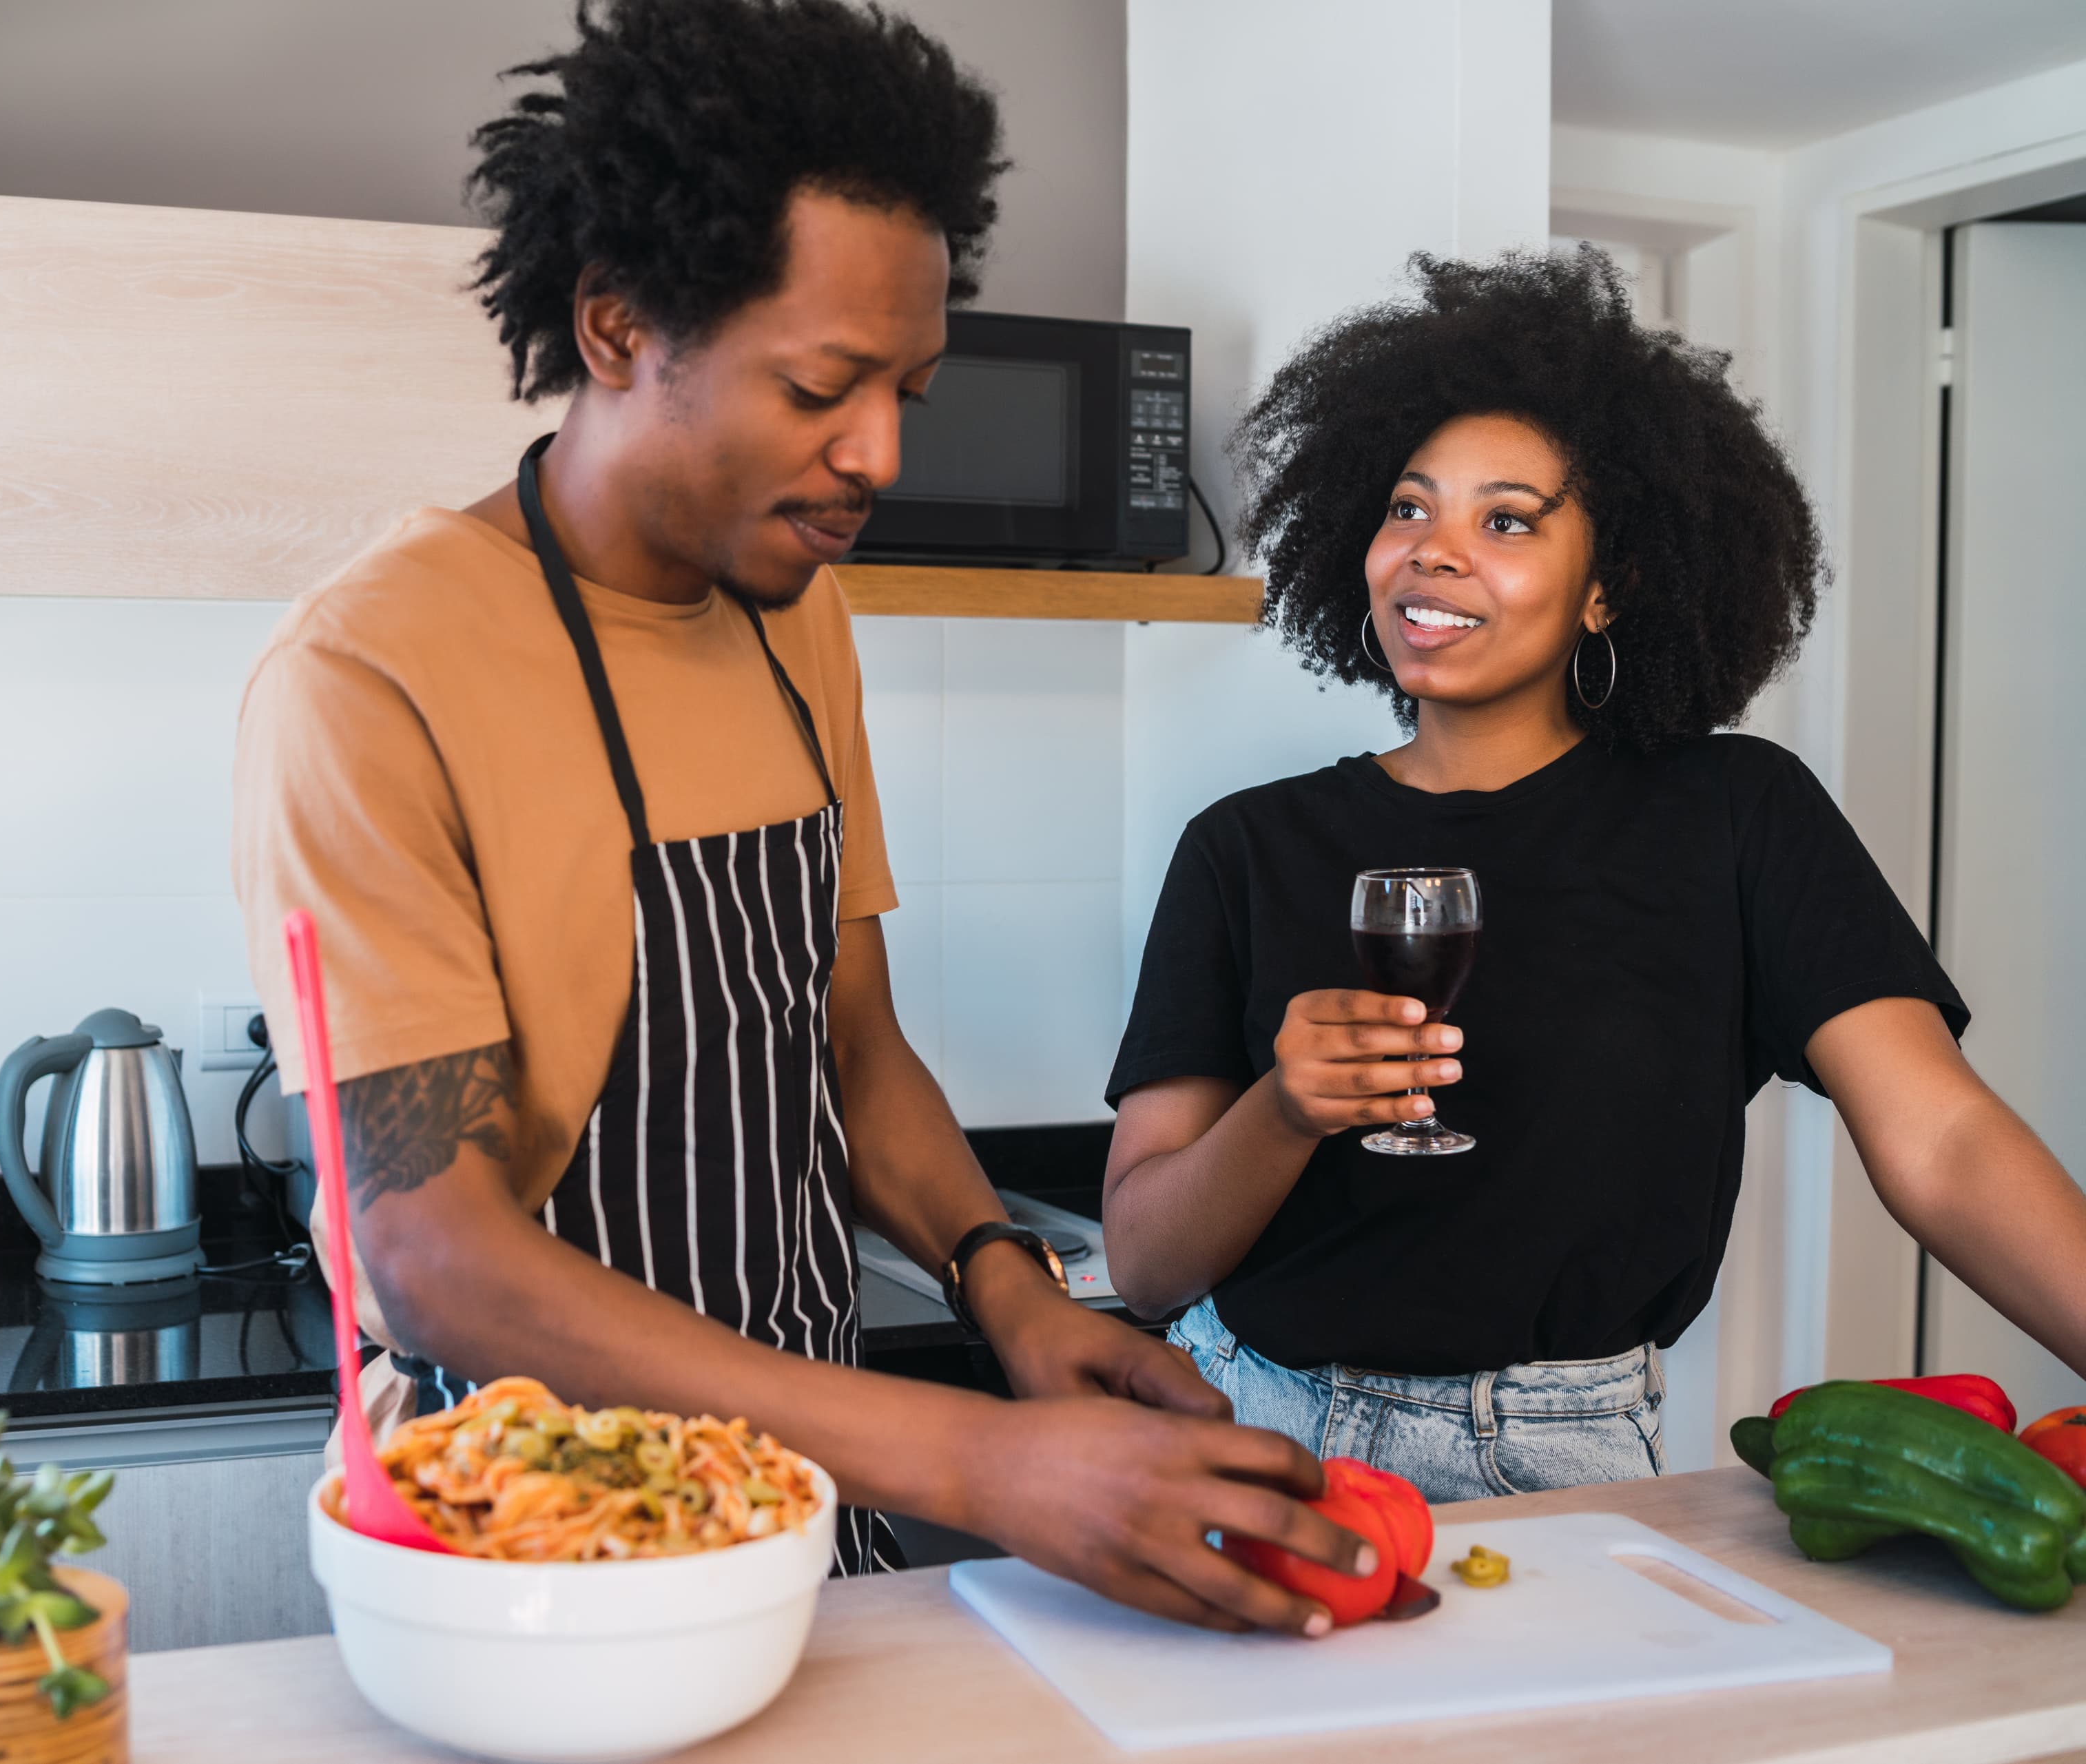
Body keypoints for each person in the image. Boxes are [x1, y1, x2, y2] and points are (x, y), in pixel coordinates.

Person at [234, 0, 1371, 1629]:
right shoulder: (369, 673)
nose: (880, 453)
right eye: (827, 385)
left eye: (910, 386)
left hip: (800, 1507)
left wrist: (1007, 1288)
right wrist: (976, 1461)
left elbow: (849, 1037)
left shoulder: (794, 613)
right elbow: (436, 1254)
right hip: (529, 1546)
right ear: (618, 328)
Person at [1104, 249, 2086, 1502]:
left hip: (1561, 1461)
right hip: (1254, 1433)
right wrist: (1285, 1109)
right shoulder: (1245, 846)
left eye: (1506, 520)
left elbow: (1942, 1140)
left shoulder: (1736, 814)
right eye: (1410, 508)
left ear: (1609, 588)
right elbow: (1141, 1261)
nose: (1434, 552)